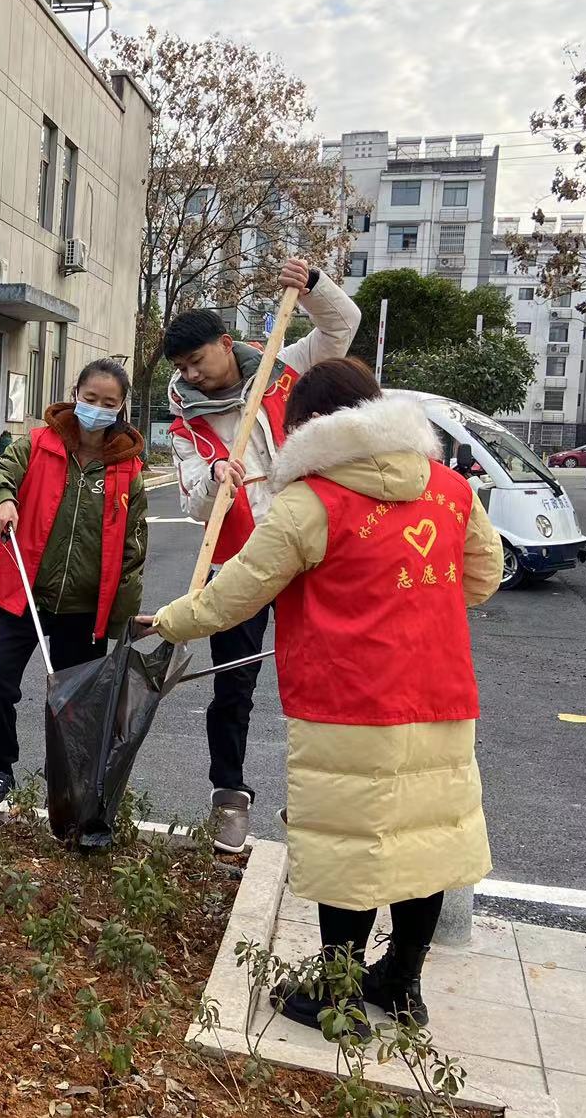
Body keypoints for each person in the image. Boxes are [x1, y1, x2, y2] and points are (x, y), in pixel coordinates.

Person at [138, 358, 502, 1031]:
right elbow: (482, 577)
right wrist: (413, 609)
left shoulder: (312, 502)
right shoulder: (451, 489)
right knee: (423, 843)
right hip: (442, 695)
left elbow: (236, 591)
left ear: (307, 426)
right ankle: (400, 984)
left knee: (350, 848)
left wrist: (169, 621)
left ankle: (336, 997)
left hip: (349, 700)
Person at [165, 256, 361, 852]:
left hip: (310, 554)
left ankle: (322, 803)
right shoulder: (186, 426)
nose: (192, 375)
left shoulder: (283, 365)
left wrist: (313, 287)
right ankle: (230, 796)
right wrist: (211, 480)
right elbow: (195, 507)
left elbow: (341, 327)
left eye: (197, 360)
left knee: (326, 677)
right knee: (234, 686)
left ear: (226, 345)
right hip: (239, 565)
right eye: (181, 368)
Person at [0, 358, 149, 811]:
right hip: (25, 595)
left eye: (109, 403)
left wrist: (121, 621)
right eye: (90, 400)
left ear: (122, 406)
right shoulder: (36, 445)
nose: (97, 410)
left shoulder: (128, 471)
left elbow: (133, 551)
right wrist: (4, 499)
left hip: (85, 610)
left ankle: (63, 784)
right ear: (75, 393)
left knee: (75, 704)